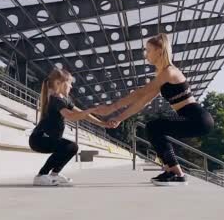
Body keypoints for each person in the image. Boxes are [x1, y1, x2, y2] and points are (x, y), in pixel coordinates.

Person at [89, 33, 215, 186]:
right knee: (154, 128)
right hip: (192, 118)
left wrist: (112, 108)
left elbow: (140, 92)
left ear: (159, 50)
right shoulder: (162, 75)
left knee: (155, 127)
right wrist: (119, 118)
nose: (145, 54)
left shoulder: (169, 72)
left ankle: (177, 174)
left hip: (197, 118)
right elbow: (143, 101)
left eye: (148, 50)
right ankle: (171, 170)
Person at [30, 68, 111, 186]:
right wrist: (92, 109)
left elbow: (83, 114)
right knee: (69, 146)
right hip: (39, 139)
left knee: (71, 148)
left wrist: (103, 124)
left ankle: (54, 175)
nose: (71, 87)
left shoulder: (65, 100)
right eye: (70, 83)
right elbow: (72, 116)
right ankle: (41, 175)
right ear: (59, 83)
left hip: (48, 139)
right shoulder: (55, 99)